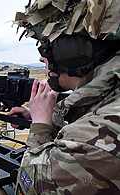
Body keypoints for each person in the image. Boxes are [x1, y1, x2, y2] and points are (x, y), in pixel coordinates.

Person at [11, 0, 120, 194]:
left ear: (72, 51)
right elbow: (93, 113)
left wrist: (41, 127)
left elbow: (32, 187)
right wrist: (44, 116)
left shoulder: (94, 144)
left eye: (47, 45)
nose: (42, 57)